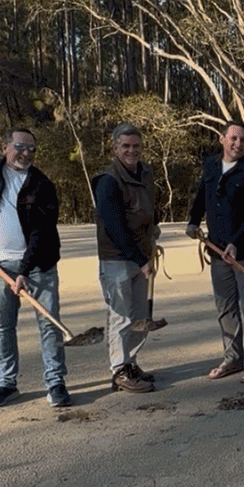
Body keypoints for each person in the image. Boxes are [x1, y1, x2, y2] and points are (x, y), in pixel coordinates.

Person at [0, 128, 70, 408]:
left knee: (49, 324)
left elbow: (41, 233)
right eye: (20, 146)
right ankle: (5, 384)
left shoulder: (42, 184)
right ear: (6, 147)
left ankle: (55, 383)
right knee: (3, 326)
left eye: (32, 149)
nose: (26, 153)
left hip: (39, 264)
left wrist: (23, 272)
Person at [186, 121, 244, 383]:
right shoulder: (211, 165)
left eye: (243, 140)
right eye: (233, 138)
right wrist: (192, 220)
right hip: (216, 250)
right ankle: (233, 358)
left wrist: (237, 242)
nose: (238, 144)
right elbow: (202, 194)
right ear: (222, 139)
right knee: (225, 307)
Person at [93, 122, 160, 393]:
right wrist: (139, 259)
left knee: (140, 316)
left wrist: (154, 228)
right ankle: (120, 370)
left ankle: (131, 362)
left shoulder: (146, 173)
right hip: (118, 258)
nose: (132, 151)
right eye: (126, 146)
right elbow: (115, 226)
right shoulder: (107, 180)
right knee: (121, 316)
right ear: (115, 148)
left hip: (142, 254)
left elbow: (150, 207)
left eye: (136, 146)